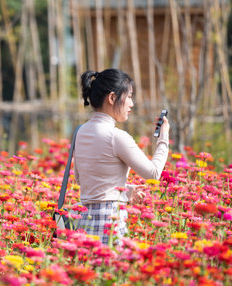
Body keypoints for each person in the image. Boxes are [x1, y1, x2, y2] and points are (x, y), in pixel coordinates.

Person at [73, 68, 170, 245]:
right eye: (130, 96)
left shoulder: (80, 132)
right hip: (110, 222)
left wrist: (126, 190)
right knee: (110, 269)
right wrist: (164, 138)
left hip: (84, 222)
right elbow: (154, 174)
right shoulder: (116, 136)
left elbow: (82, 179)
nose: (132, 104)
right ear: (112, 98)